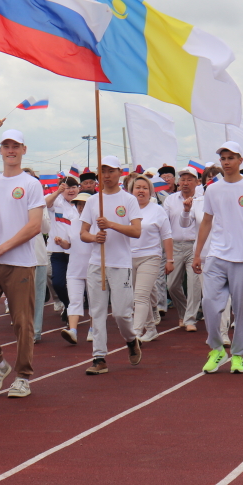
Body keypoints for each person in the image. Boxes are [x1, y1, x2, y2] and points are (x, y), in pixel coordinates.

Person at [0, 128, 46, 399]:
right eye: (6, 146)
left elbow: (35, 226)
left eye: (16, 146)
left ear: (24, 150)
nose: (11, 150)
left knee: (22, 322)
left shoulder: (31, 184)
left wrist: (4, 247)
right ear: (0, 150)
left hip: (20, 262)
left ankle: (23, 375)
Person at [191, 142, 243, 374]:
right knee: (210, 305)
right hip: (216, 256)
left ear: (240, 160)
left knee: (242, 310)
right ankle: (216, 349)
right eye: (223, 158)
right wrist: (197, 254)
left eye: (231, 157)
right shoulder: (212, 189)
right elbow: (206, 221)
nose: (226, 162)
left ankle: (239, 355)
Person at [80, 155, 143, 375]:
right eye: (103, 171)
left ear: (119, 173)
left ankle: (131, 339)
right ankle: (99, 358)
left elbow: (136, 231)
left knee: (121, 313)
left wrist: (112, 225)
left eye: (111, 171)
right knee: (96, 311)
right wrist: (93, 238)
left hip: (120, 263)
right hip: (97, 263)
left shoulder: (128, 200)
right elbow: (83, 233)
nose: (107, 176)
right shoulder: (92, 201)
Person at [130, 175, 173, 342]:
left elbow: (167, 236)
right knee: (141, 295)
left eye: (144, 188)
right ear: (132, 190)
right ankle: (151, 328)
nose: (141, 190)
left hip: (150, 257)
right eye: (137, 187)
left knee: (140, 296)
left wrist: (170, 260)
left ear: (150, 192)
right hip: (129, 258)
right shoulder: (126, 209)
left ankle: (135, 332)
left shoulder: (157, 210)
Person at [164, 166, 204, 331]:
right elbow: (164, 224)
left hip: (195, 246)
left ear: (196, 182)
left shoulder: (202, 200)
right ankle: (183, 311)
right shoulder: (170, 200)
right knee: (172, 284)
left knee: (194, 284)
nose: (185, 183)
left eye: (189, 179)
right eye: (183, 179)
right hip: (175, 246)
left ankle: (190, 319)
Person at [57, 193, 94, 344]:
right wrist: (61, 243)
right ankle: (73, 331)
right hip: (74, 268)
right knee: (74, 300)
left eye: (84, 204)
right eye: (79, 204)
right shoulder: (71, 223)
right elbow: (69, 245)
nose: (81, 207)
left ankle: (93, 329)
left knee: (94, 301)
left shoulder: (98, 223)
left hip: (93, 268)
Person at [45, 176, 80, 319]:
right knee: (58, 283)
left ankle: (73, 309)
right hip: (58, 250)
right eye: (67, 187)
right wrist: (57, 192)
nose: (70, 190)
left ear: (79, 188)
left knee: (76, 283)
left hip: (77, 251)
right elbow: (45, 203)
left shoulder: (84, 203)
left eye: (73, 187)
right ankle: (68, 305)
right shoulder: (57, 202)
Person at [23, 168, 51, 342]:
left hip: (38, 254)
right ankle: (24, 328)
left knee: (37, 296)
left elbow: (46, 228)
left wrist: (37, 210)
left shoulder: (40, 203)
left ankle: (35, 331)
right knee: (20, 297)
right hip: (18, 256)